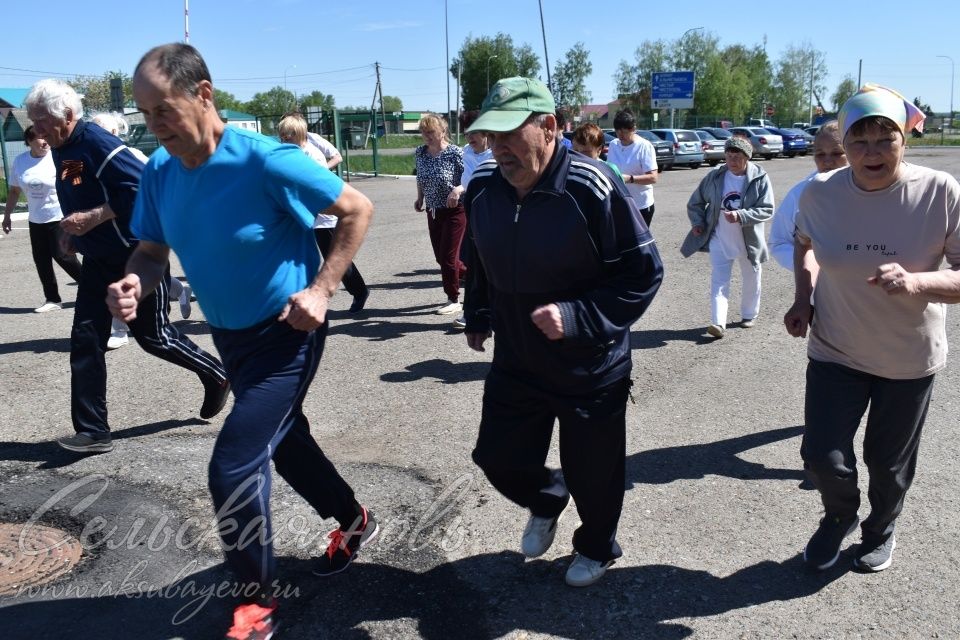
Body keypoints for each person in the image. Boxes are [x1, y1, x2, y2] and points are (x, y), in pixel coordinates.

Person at [112, 43, 377, 638]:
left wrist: (322, 289)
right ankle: (352, 518)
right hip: (230, 337)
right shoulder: (159, 172)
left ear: (203, 94)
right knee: (283, 442)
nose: (153, 127)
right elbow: (152, 251)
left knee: (233, 463)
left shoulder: (265, 161)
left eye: (162, 111)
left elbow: (356, 209)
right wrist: (135, 279)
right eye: (144, 114)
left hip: (288, 333)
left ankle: (255, 603)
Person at [462, 77, 663, 588]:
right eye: (491, 134)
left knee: (596, 475)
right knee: (497, 458)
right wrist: (478, 312)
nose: (498, 146)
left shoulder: (593, 186)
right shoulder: (484, 186)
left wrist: (575, 318)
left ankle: (596, 546)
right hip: (517, 359)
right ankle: (548, 496)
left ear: (549, 127)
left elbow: (643, 273)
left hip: (588, 365)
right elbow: (478, 257)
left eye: (510, 133)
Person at [784, 84, 960, 573]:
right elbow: (804, 245)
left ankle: (881, 527)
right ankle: (838, 515)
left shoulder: (940, 191)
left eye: (886, 138)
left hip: (906, 357)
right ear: (845, 145)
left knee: (888, 463)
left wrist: (917, 280)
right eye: (859, 141)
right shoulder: (821, 192)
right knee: (821, 455)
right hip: (835, 348)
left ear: (906, 139)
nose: (872, 152)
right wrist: (803, 298)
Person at [24, 78, 229, 454]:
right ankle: (93, 431)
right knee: (86, 339)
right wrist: (76, 232)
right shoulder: (63, 146)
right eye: (33, 121)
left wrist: (94, 216)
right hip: (99, 259)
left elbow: (140, 190)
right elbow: (79, 188)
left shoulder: (99, 144)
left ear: (68, 116)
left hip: (138, 256)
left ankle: (217, 374)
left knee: (154, 338)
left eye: (41, 120)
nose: (35, 129)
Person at [89, 111, 194, 352]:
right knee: (131, 279)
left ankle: (119, 329)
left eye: (101, 132)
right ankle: (180, 291)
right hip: (108, 234)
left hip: (135, 231)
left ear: (114, 133)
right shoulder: (92, 160)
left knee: (125, 279)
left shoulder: (132, 156)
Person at [681, 136, 774, 338]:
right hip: (719, 237)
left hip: (748, 240)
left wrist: (741, 215)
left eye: (737, 156)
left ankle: (749, 315)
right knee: (719, 280)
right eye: (729, 156)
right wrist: (698, 223)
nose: (731, 161)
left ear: (747, 157)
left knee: (752, 278)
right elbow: (695, 203)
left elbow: (767, 210)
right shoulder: (715, 176)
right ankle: (718, 323)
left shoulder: (759, 177)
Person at [278, 112, 369, 312]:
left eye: (288, 135)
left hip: (323, 216)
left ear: (299, 133)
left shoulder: (311, 154)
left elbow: (314, 187)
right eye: (282, 135)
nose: (284, 138)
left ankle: (359, 291)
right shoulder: (293, 152)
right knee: (296, 257)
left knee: (334, 258)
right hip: (305, 215)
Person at [3, 125, 83, 312]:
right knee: (41, 259)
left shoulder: (59, 155)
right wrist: (7, 216)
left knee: (63, 255)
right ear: (29, 142)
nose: (45, 141)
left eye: (46, 136)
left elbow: (76, 183)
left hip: (60, 215)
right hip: (36, 219)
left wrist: (79, 212)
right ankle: (52, 299)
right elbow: (14, 191)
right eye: (39, 137)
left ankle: (93, 286)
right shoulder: (20, 161)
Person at [768, 121, 847, 270]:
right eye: (820, 154)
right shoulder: (799, 194)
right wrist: (810, 267)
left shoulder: (874, 192)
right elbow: (778, 242)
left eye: (837, 153)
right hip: (819, 288)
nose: (828, 161)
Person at [414, 113, 466, 317]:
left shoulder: (455, 152)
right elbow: (420, 177)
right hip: (433, 210)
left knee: (448, 257)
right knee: (441, 258)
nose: (427, 136)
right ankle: (479, 277)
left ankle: (453, 299)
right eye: (424, 132)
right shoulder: (420, 152)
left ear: (443, 131)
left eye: (431, 132)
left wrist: (457, 190)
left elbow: (469, 178)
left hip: (455, 210)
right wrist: (420, 198)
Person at [605, 109, 658, 226]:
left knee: (638, 242)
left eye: (624, 131)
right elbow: (610, 168)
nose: (620, 135)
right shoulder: (614, 144)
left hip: (640, 205)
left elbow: (653, 178)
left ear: (633, 129)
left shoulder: (644, 146)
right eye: (617, 131)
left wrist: (630, 179)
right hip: (620, 203)